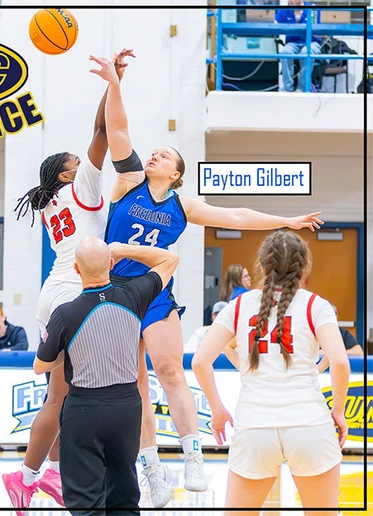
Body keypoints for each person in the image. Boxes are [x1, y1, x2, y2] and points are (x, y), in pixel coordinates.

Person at [89, 52, 324, 508]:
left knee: (171, 370)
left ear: (175, 174)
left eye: (164, 155)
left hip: (154, 291)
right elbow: (117, 129)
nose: (154, 153)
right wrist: (115, 82)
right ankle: (153, 470)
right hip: (114, 291)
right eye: (154, 151)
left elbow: (236, 212)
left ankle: (193, 456)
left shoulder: (182, 206)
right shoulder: (128, 181)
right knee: (133, 386)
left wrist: (289, 221)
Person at [3, 49, 134, 513]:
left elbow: (96, 137)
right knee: (62, 395)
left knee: (69, 395)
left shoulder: (49, 201)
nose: (87, 163)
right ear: (65, 173)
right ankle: (24, 477)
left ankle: (54, 474)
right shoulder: (82, 188)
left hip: (58, 291)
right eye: (78, 162)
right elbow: (103, 131)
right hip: (74, 292)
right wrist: (112, 81)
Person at [192, 231, 349, 512]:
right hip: (309, 424)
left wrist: (217, 409)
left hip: (254, 426)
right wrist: (338, 410)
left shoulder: (238, 305)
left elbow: (201, 360)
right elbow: (339, 361)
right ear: (304, 269)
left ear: (262, 268)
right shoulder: (316, 305)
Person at [35, 237, 179, 515]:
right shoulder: (134, 295)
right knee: (124, 495)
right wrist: (122, 248)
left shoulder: (64, 314)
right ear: (111, 264)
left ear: (76, 270)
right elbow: (170, 260)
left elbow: (41, 366)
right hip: (127, 408)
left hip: (84, 410)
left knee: (85, 500)